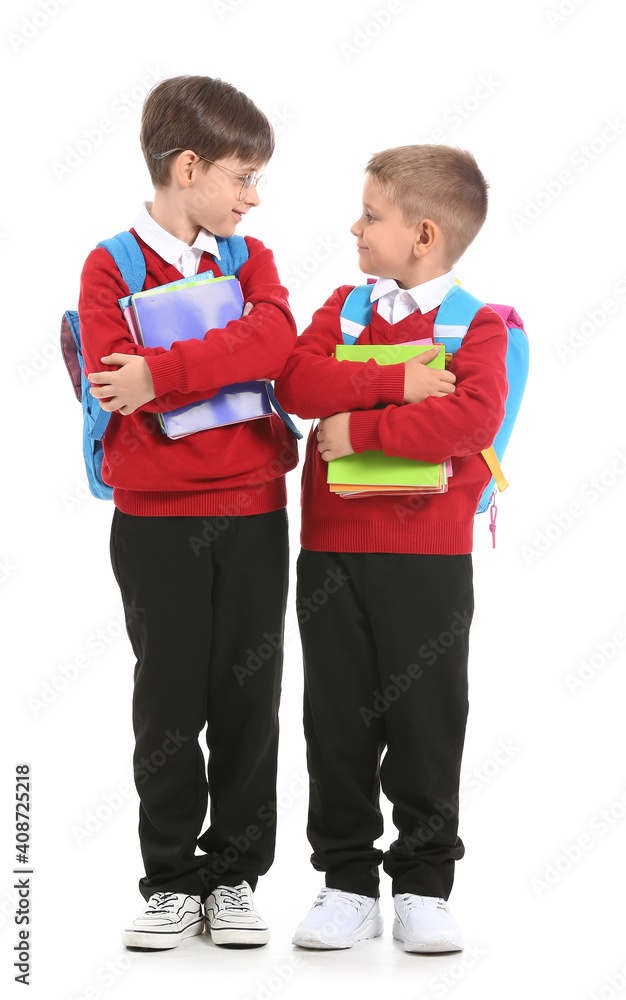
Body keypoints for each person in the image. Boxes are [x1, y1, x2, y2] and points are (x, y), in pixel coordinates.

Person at [79, 75, 298, 950]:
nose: (254, 196)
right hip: (156, 516)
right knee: (168, 700)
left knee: (249, 694)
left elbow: (274, 340)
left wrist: (164, 371)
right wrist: (215, 359)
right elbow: (110, 374)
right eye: (244, 177)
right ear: (188, 167)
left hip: (252, 508)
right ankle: (171, 881)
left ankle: (235, 878)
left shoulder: (251, 261)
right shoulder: (110, 264)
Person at [274, 144, 508, 953]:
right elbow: (298, 385)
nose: (355, 226)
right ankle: (345, 882)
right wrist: (398, 383)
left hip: (430, 558)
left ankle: (422, 884)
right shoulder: (342, 307)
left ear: (424, 235)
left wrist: (358, 427)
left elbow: (468, 422)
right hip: (333, 550)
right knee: (334, 719)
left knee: (426, 721)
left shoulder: (476, 326)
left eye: (372, 215)